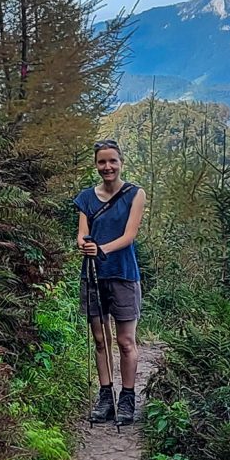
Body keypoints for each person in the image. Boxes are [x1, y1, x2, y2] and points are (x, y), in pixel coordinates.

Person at [75, 138, 148, 425]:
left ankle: (127, 397)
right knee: (100, 340)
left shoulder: (135, 194)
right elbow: (82, 232)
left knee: (125, 340)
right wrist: (84, 244)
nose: (107, 167)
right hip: (93, 275)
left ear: (121, 162)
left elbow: (130, 236)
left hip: (123, 273)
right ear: (96, 165)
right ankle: (106, 397)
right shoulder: (86, 198)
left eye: (112, 161)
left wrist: (102, 249)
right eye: (102, 162)